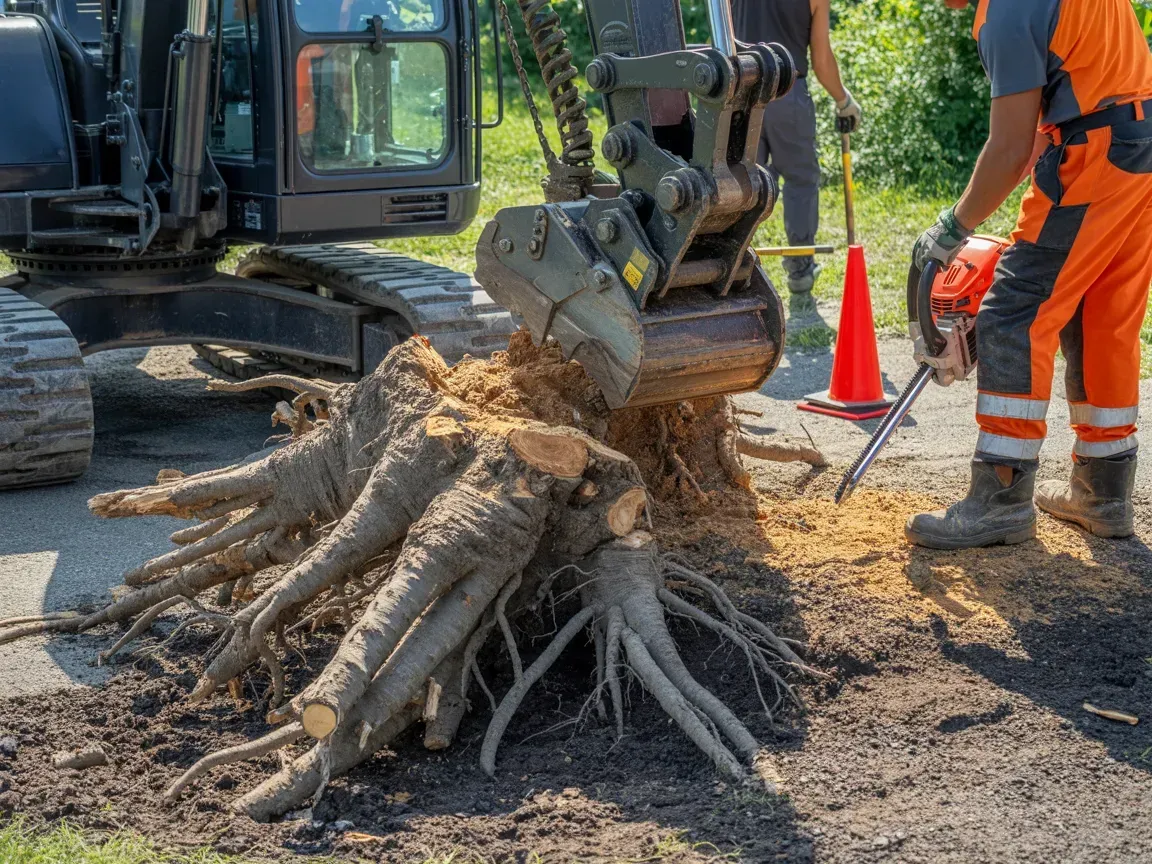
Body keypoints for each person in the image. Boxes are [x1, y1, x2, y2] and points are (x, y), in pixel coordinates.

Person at [906, 0, 1152, 549]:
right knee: (1099, 316)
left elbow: (1012, 146)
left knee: (1014, 314)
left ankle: (1000, 499)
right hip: (1138, 141)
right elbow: (1042, 127)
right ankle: (1104, 491)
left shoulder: (1007, 12)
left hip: (1095, 152)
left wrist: (953, 226)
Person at [731, 0, 861, 297]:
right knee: (800, 180)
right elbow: (822, 60)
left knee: (740, 182)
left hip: (742, 90)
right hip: (789, 92)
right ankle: (800, 270)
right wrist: (843, 100)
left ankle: (733, 262)